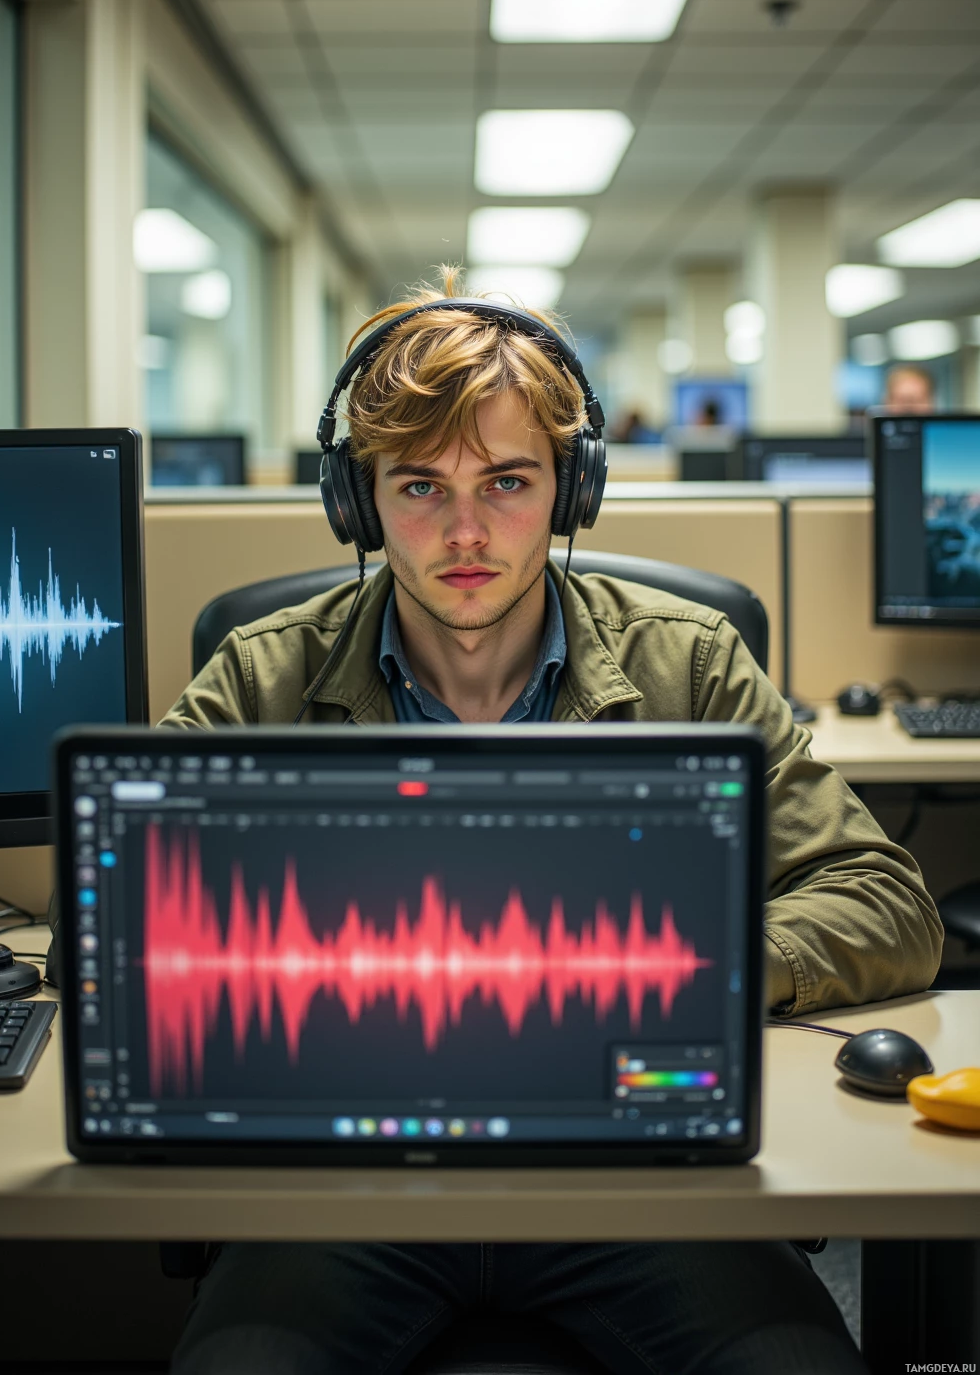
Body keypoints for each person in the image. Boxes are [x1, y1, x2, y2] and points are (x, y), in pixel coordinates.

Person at [163, 275, 942, 1375]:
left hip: (633, 1166)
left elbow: (884, 902)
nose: (467, 530)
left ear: (572, 489)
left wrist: (687, 971)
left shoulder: (690, 663)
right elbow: (112, 906)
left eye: (510, 481)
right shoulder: (263, 670)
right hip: (355, 1180)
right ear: (358, 500)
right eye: (421, 486)